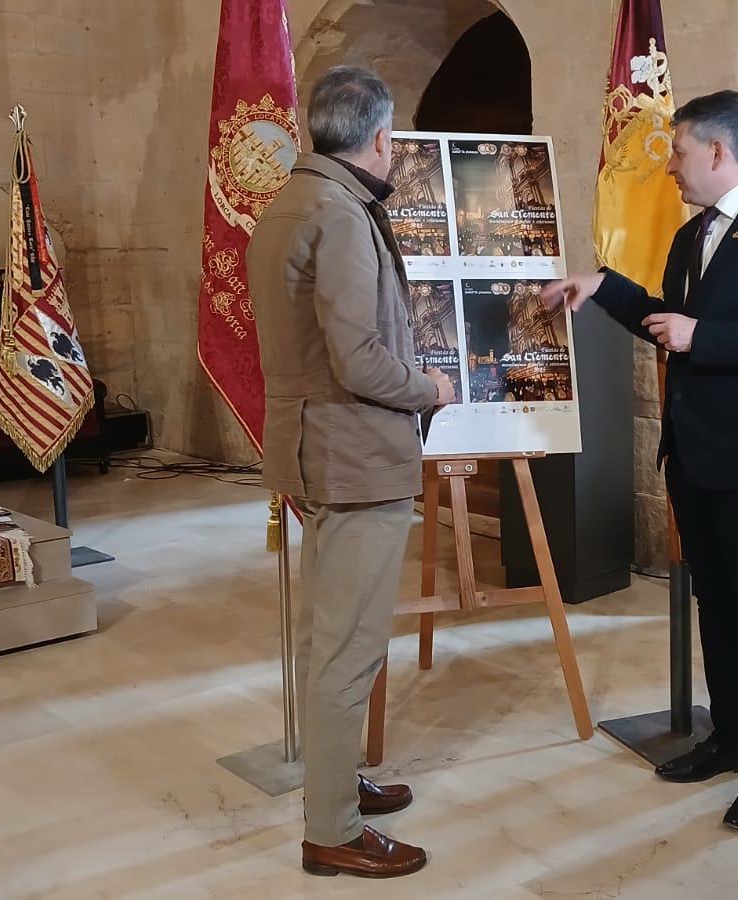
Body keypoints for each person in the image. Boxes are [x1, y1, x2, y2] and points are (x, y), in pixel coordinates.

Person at [540, 90, 738, 831]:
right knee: (718, 606)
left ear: (717, 151)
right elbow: (666, 324)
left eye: (678, 152)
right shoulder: (689, 236)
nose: (670, 167)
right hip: (696, 456)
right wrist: (603, 288)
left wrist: (704, 336)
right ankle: (730, 739)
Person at [246, 65, 453, 878]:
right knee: (349, 648)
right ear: (380, 138)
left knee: (323, 638)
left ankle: (334, 782)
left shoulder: (290, 201)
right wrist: (429, 388)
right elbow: (360, 360)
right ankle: (331, 829)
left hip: (315, 447)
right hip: (356, 456)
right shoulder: (339, 212)